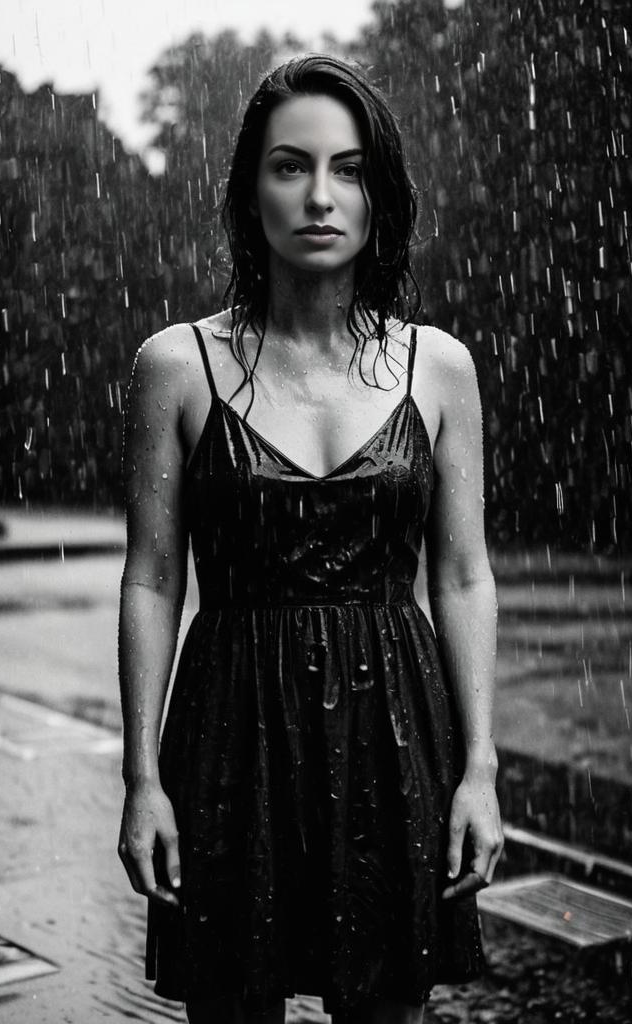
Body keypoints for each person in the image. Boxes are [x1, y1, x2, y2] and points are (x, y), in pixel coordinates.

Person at [118, 53, 502, 1024]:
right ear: (251, 190)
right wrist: (139, 781)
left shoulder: (439, 368)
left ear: (383, 194)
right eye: (291, 167)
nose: (321, 195)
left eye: (351, 168)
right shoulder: (177, 366)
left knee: (389, 1010)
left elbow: (462, 577)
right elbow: (154, 580)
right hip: (228, 737)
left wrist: (482, 772)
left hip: (396, 737)